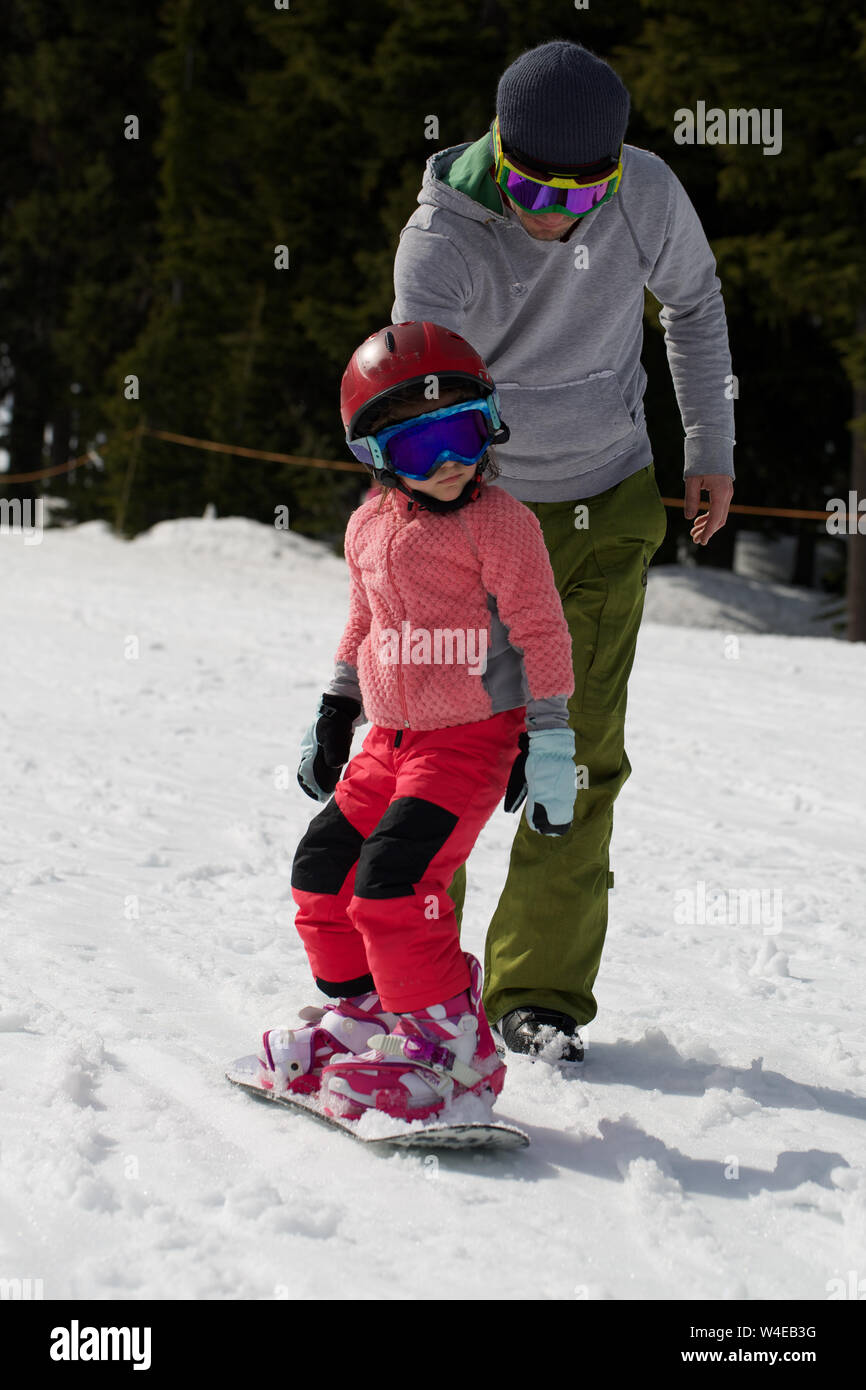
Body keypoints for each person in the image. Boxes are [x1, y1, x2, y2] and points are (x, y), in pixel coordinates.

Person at [390, 40, 736, 1060]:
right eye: (534, 188)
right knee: (438, 758)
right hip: (470, 516)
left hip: (605, 500)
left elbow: (695, 305)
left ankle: (535, 994)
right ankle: (409, 986)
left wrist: (707, 444)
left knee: (573, 764)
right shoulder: (440, 240)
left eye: (583, 195)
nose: (555, 215)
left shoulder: (646, 192)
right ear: (498, 152)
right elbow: (420, 405)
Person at [255, 320, 576, 1123]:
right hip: (388, 739)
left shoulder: (501, 523)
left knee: (394, 887)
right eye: (417, 449)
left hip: (468, 740)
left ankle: (452, 1057)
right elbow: (363, 621)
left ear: (490, 424)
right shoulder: (368, 523)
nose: (449, 465)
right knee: (322, 875)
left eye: (463, 434)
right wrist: (334, 711)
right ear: (376, 459)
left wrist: (550, 736)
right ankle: (370, 1019)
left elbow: (540, 629)